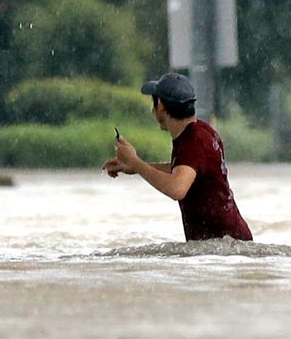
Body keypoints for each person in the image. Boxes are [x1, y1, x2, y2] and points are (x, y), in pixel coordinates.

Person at [103, 72, 253, 242]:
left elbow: (177, 188)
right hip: (228, 244)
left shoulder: (194, 142)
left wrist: (136, 162)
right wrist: (134, 167)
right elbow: (185, 169)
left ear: (160, 105)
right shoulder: (201, 132)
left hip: (227, 249)